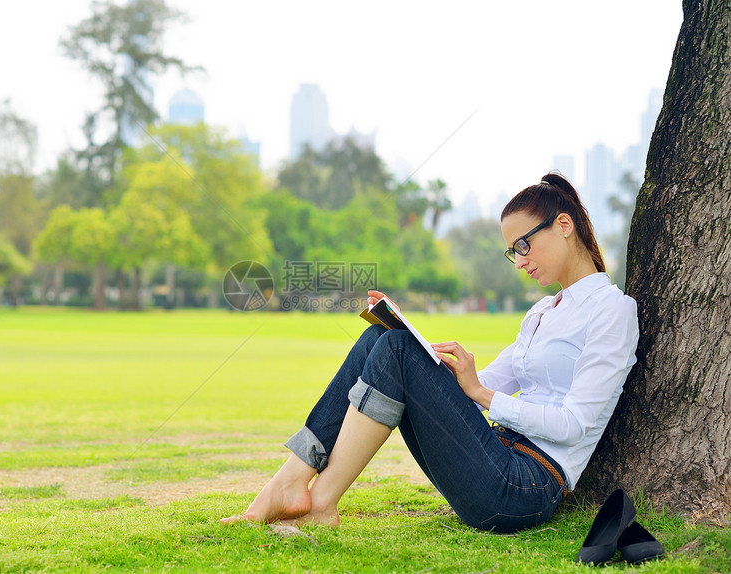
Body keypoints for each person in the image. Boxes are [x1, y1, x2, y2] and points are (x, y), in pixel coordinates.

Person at [221, 172, 639, 533]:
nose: (519, 262)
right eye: (513, 252)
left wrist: (483, 396)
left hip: (524, 486)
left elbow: (574, 425)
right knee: (381, 340)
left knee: (397, 350)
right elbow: (467, 389)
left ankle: (320, 502)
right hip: (492, 456)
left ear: (563, 225)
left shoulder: (612, 311)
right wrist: (408, 330)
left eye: (524, 246)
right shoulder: (543, 312)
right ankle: (291, 481)